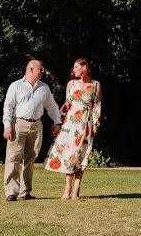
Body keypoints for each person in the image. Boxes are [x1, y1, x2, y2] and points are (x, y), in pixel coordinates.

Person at [2, 59, 62, 201]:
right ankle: (11, 192)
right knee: (13, 158)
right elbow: (8, 106)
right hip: (18, 123)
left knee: (30, 159)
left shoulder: (44, 88)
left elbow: (52, 106)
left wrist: (57, 122)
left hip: (36, 125)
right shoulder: (16, 86)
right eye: (40, 69)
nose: (42, 71)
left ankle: (25, 192)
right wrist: (7, 125)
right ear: (31, 69)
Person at [44, 57, 102, 200]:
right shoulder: (71, 84)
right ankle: (67, 189)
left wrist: (95, 124)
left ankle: (76, 190)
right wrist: (58, 122)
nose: (74, 70)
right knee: (69, 155)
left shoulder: (95, 85)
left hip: (86, 122)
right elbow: (67, 104)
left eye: (76, 67)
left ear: (84, 68)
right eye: (73, 67)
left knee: (81, 156)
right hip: (70, 124)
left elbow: (97, 105)